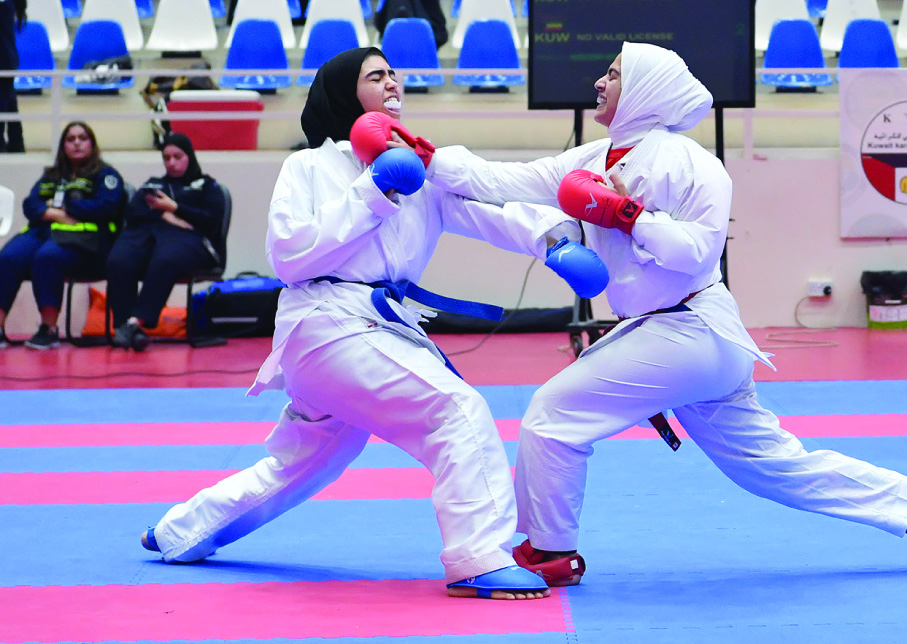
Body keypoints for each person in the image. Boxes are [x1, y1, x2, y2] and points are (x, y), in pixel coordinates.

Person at [419, 42, 907, 585]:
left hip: (692, 329)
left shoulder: (694, 164)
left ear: (645, 88)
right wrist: (425, 159)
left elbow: (699, 253)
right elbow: (498, 181)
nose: (599, 84)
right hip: (673, 337)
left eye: (613, 74)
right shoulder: (587, 160)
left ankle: (550, 550)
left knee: (551, 412)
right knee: (769, 466)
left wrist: (629, 215)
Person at [139, 48, 605, 600]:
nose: (392, 83)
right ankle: (478, 558)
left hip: (375, 329)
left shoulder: (418, 168)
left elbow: (490, 211)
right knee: (455, 412)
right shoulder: (309, 167)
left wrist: (553, 242)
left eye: (393, 74)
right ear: (344, 92)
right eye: (375, 75)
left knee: (300, 464)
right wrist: (373, 190)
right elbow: (289, 256)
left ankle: (179, 532)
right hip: (324, 322)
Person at [0, 121, 124, 349]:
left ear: (92, 144)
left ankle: (49, 329)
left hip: (86, 243)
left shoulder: (106, 175)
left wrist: (65, 206)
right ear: (63, 146)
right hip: (43, 232)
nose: (76, 143)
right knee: (8, 257)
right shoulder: (52, 175)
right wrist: (55, 214)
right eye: (70, 139)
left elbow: (104, 207)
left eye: (82, 138)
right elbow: (30, 204)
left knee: (47, 258)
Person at [106, 132, 225, 352]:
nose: (171, 162)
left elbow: (211, 220)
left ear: (189, 156)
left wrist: (176, 208)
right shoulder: (154, 185)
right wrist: (166, 215)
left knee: (167, 257)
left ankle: (133, 323)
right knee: (119, 259)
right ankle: (128, 329)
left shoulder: (206, 186)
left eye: (177, 157)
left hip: (193, 244)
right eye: (166, 158)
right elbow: (133, 211)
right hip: (151, 239)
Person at [0, 0, 26, 153]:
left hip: (3, 60)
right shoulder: (7, 5)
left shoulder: (4, 6)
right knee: (9, 102)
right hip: (7, 59)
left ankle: (7, 145)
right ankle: (17, 144)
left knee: (4, 104)